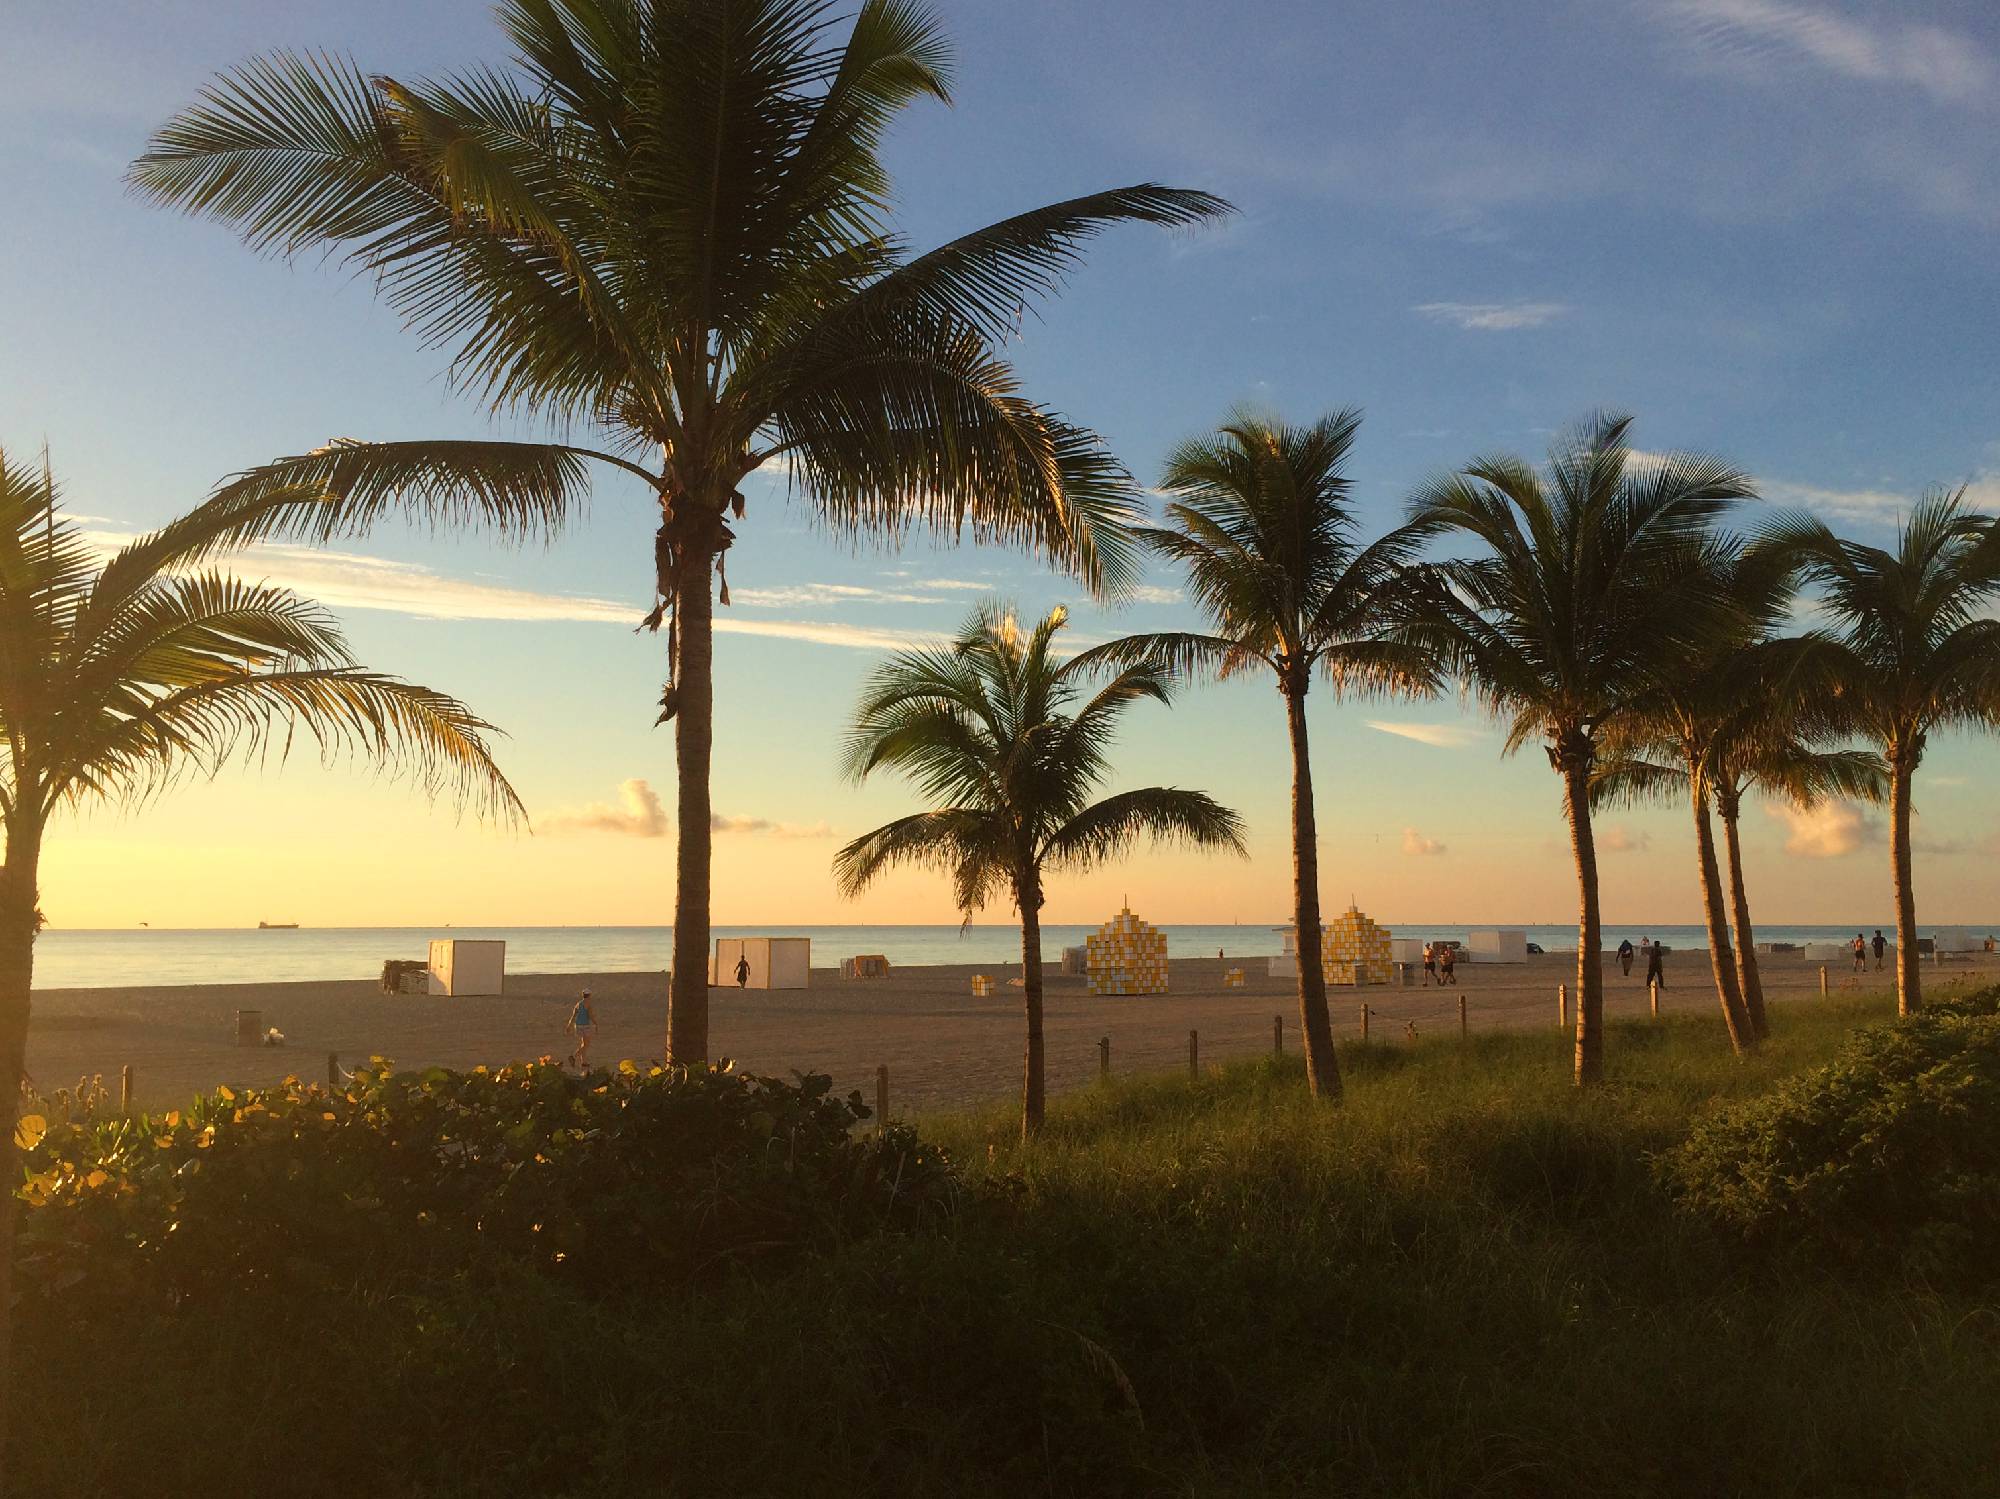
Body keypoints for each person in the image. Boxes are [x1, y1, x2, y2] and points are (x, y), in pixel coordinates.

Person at [566, 989, 596, 1070]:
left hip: (578, 1026)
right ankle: (574, 1056)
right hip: (585, 1026)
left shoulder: (578, 1004)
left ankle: (584, 1062)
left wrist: (569, 1025)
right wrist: (595, 1023)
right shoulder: (588, 1004)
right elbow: (590, 1015)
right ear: (589, 995)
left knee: (583, 1043)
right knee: (586, 1044)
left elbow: (573, 1016)